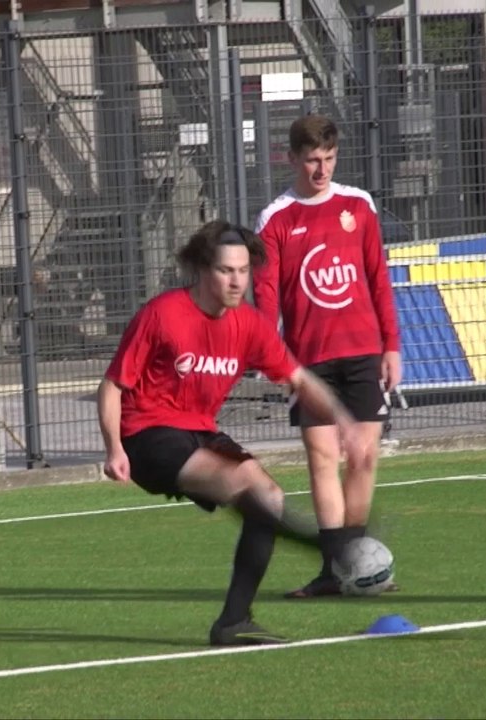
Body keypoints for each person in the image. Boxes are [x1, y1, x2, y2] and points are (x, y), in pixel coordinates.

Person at [98, 220, 362, 646]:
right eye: (226, 270)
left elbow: (299, 378)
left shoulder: (250, 324)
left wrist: (343, 419)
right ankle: (329, 548)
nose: (238, 280)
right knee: (244, 485)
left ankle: (233, 622)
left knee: (270, 498)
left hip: (200, 433)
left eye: (243, 270)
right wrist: (114, 449)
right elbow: (112, 385)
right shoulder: (163, 314)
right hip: (147, 436)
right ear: (203, 270)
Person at [252, 114, 401, 599]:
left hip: (362, 352)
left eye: (329, 159)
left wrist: (392, 346)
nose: (321, 169)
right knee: (323, 458)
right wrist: (269, 354)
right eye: (312, 160)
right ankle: (332, 569)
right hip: (308, 361)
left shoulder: (358, 205)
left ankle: (353, 563)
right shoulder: (275, 218)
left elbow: (378, 278)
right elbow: (267, 293)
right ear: (292, 158)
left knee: (362, 456)